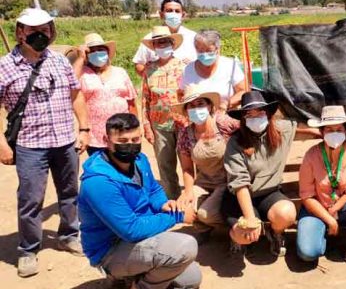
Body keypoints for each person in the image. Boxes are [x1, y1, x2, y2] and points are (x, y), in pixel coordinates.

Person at [78, 113, 200, 289]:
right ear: (107, 141)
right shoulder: (98, 182)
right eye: (123, 141)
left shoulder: (140, 160)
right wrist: (178, 217)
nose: (131, 146)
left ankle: (131, 277)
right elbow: (131, 230)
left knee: (191, 279)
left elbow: (153, 189)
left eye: (135, 140)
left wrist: (164, 203)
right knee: (185, 247)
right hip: (111, 248)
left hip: (137, 237)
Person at [0, 7, 90, 277]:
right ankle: (28, 249)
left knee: (69, 192)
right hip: (30, 145)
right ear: (20, 32)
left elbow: (76, 96)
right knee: (30, 198)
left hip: (64, 140)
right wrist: (2, 145)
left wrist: (84, 128)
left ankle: (68, 235)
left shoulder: (60, 61)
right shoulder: (5, 66)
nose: (41, 34)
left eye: (46, 29)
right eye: (34, 30)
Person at [296, 106, 346, 263]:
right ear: (321, 132)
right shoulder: (311, 155)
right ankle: (326, 234)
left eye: (339, 129)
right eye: (329, 130)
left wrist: (334, 209)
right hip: (316, 208)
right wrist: (330, 219)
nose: (335, 134)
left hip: (343, 207)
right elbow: (307, 195)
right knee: (307, 253)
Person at [224, 91, 298, 257]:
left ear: (269, 113)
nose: (255, 117)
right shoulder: (235, 143)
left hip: (269, 193)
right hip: (240, 197)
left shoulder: (282, 131)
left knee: (286, 213)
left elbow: (301, 125)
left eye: (260, 111)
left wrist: (324, 132)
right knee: (245, 234)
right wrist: (250, 219)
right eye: (249, 114)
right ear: (242, 118)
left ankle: (276, 232)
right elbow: (240, 183)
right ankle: (236, 238)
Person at [173, 85, 239, 241]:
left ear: (210, 106)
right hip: (204, 182)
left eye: (201, 104)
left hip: (227, 182)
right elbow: (187, 168)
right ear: (186, 111)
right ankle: (204, 228)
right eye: (192, 106)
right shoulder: (185, 133)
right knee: (183, 209)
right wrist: (188, 191)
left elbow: (248, 131)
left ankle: (233, 228)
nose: (197, 109)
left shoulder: (223, 123)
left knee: (205, 213)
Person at [141, 26, 188, 199]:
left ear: (172, 43)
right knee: (165, 165)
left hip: (183, 123)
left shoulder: (184, 66)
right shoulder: (149, 69)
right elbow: (145, 99)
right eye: (158, 43)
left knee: (188, 163)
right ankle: (173, 200)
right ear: (154, 46)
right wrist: (146, 126)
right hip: (159, 125)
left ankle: (190, 198)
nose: (162, 45)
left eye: (165, 42)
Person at [75, 33, 137, 155]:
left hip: (122, 131)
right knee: (101, 169)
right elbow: (68, 83)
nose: (97, 53)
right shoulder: (82, 74)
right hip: (95, 135)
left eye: (101, 49)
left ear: (107, 52)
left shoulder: (120, 72)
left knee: (124, 166)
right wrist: (80, 59)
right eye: (92, 51)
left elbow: (132, 102)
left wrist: (135, 127)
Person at [180, 29, 245, 110]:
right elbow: (181, 94)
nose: (204, 54)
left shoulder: (230, 66)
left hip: (226, 114)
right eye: (200, 51)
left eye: (209, 50)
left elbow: (243, 91)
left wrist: (226, 104)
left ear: (218, 49)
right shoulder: (187, 70)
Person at [132, 0, 197, 76]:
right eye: (169, 11)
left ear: (183, 15)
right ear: (161, 14)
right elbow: (139, 64)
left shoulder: (194, 37)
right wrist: (151, 75)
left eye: (177, 11)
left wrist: (193, 65)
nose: (173, 14)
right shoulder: (150, 39)